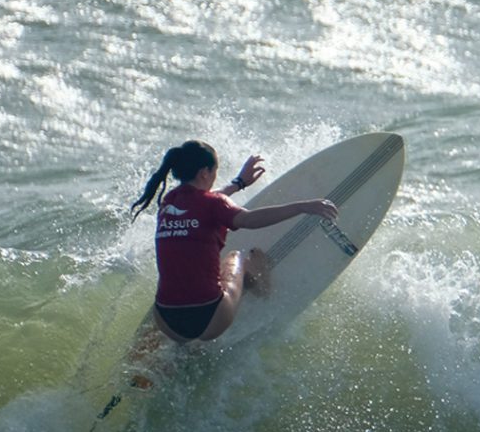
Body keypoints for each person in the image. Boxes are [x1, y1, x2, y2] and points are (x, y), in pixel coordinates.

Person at [130, 140, 338, 344]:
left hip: (167, 320)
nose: (214, 178)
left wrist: (239, 184)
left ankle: (182, 346)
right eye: (214, 172)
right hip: (210, 318)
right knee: (239, 257)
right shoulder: (213, 203)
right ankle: (263, 292)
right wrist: (302, 207)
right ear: (204, 173)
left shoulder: (168, 202)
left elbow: (205, 202)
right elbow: (248, 219)